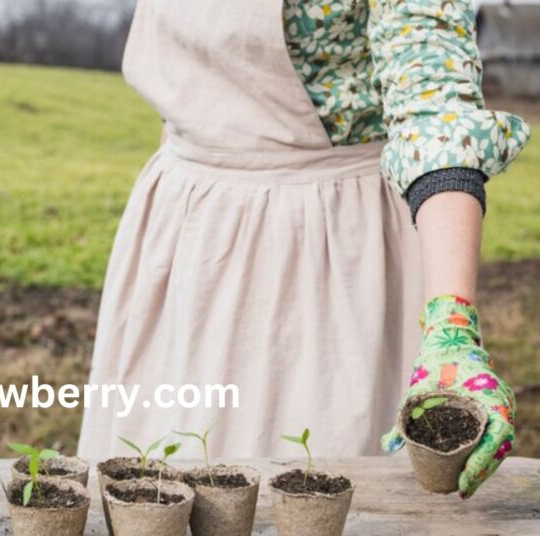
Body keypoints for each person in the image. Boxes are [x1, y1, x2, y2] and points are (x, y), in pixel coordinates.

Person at [76, 0, 529, 499]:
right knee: (147, 492)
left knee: (307, 503)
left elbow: (434, 106)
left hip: (325, 247)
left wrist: (452, 323)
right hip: (184, 225)